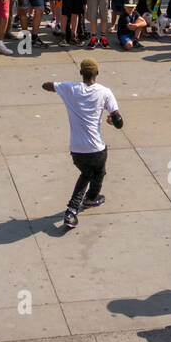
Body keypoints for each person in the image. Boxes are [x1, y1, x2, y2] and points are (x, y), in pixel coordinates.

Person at [42, 58, 123, 229]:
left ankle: (88, 200)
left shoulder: (70, 88)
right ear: (97, 73)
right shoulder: (105, 92)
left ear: (81, 73)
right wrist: (111, 120)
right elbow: (119, 122)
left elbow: (46, 85)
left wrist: (55, 85)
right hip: (97, 149)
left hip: (77, 150)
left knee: (92, 173)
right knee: (95, 172)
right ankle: (74, 209)